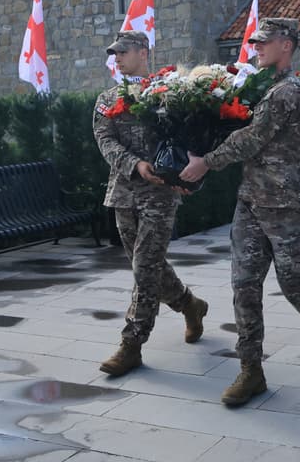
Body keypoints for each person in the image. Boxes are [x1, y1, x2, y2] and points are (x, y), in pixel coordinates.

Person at [180, 18, 300, 407]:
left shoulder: (286, 93)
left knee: (293, 283)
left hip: (286, 205)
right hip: (251, 200)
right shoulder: (261, 88)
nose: (256, 47)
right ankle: (251, 370)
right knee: (244, 286)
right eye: (255, 41)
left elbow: (251, 138)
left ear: (287, 45)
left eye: (264, 42)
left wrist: (206, 161)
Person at [93, 31, 209, 378]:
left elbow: (191, 139)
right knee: (150, 266)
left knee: (145, 268)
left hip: (159, 195)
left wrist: (188, 176)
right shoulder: (107, 97)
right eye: (114, 54)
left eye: (123, 52)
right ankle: (190, 304)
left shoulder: (170, 92)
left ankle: (132, 345)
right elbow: (104, 139)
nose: (117, 59)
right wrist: (134, 164)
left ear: (143, 52)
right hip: (123, 193)